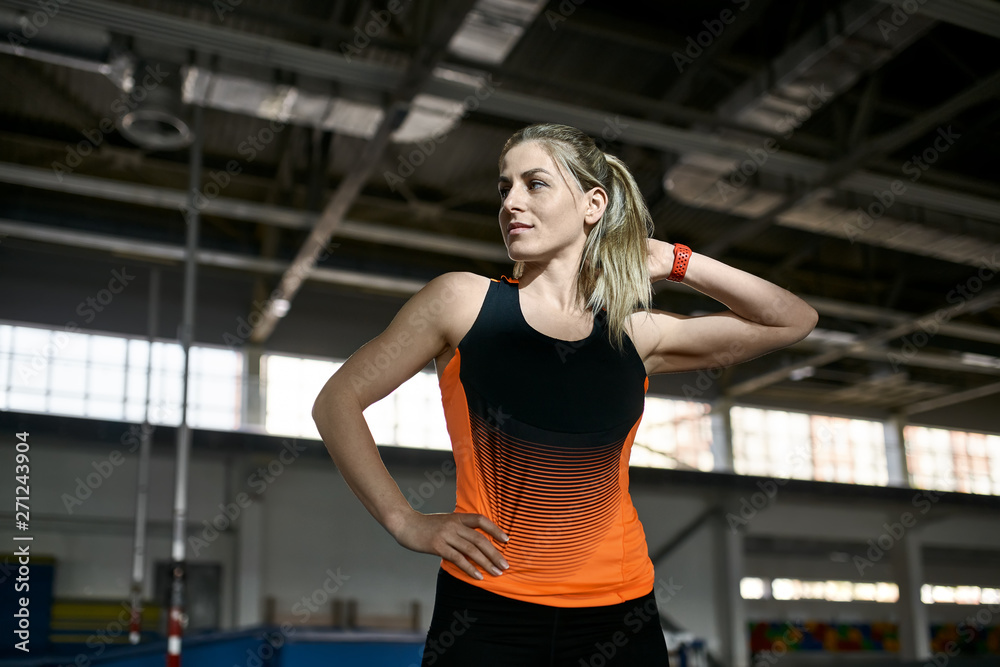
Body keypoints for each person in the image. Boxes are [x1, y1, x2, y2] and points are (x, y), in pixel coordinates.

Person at [311, 123, 818, 666]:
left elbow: (791, 321)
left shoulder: (635, 333)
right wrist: (405, 520)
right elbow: (337, 400)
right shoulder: (461, 303)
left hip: (619, 616)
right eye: (504, 188)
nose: (511, 202)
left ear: (592, 204)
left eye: (535, 184)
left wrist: (675, 259)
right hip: (487, 607)